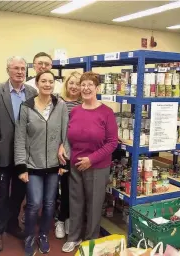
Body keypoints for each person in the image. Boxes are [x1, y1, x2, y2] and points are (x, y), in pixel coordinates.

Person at [60, 71, 118, 253]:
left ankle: (91, 239)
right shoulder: (75, 110)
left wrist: (91, 159)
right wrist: (63, 146)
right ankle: (74, 237)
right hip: (75, 164)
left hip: (97, 166)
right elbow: (69, 135)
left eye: (89, 85)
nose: (85, 88)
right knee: (75, 201)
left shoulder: (106, 113)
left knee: (94, 204)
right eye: (82, 84)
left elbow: (112, 143)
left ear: (97, 88)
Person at [14, 70, 69, 256]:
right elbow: (20, 138)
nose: (47, 84)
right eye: (43, 81)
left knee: (49, 204)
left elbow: (65, 135)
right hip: (33, 165)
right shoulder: (26, 107)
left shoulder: (60, 105)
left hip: (54, 165)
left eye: (51, 82)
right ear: (37, 84)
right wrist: (21, 166)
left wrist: (64, 162)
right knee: (34, 204)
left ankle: (43, 235)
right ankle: (29, 237)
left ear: (54, 84)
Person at [0, 56, 38, 252]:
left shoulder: (32, 92)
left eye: (23, 68)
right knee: (1, 194)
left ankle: (12, 224)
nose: (20, 72)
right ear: (8, 70)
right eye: (15, 68)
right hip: (3, 152)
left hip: (24, 154)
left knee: (19, 193)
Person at [54, 71, 82, 239]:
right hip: (63, 152)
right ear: (66, 84)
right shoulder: (58, 101)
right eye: (71, 83)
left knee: (76, 189)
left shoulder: (83, 104)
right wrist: (60, 146)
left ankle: (71, 218)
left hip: (79, 153)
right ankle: (61, 220)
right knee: (64, 188)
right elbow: (54, 127)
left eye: (78, 83)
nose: (74, 86)